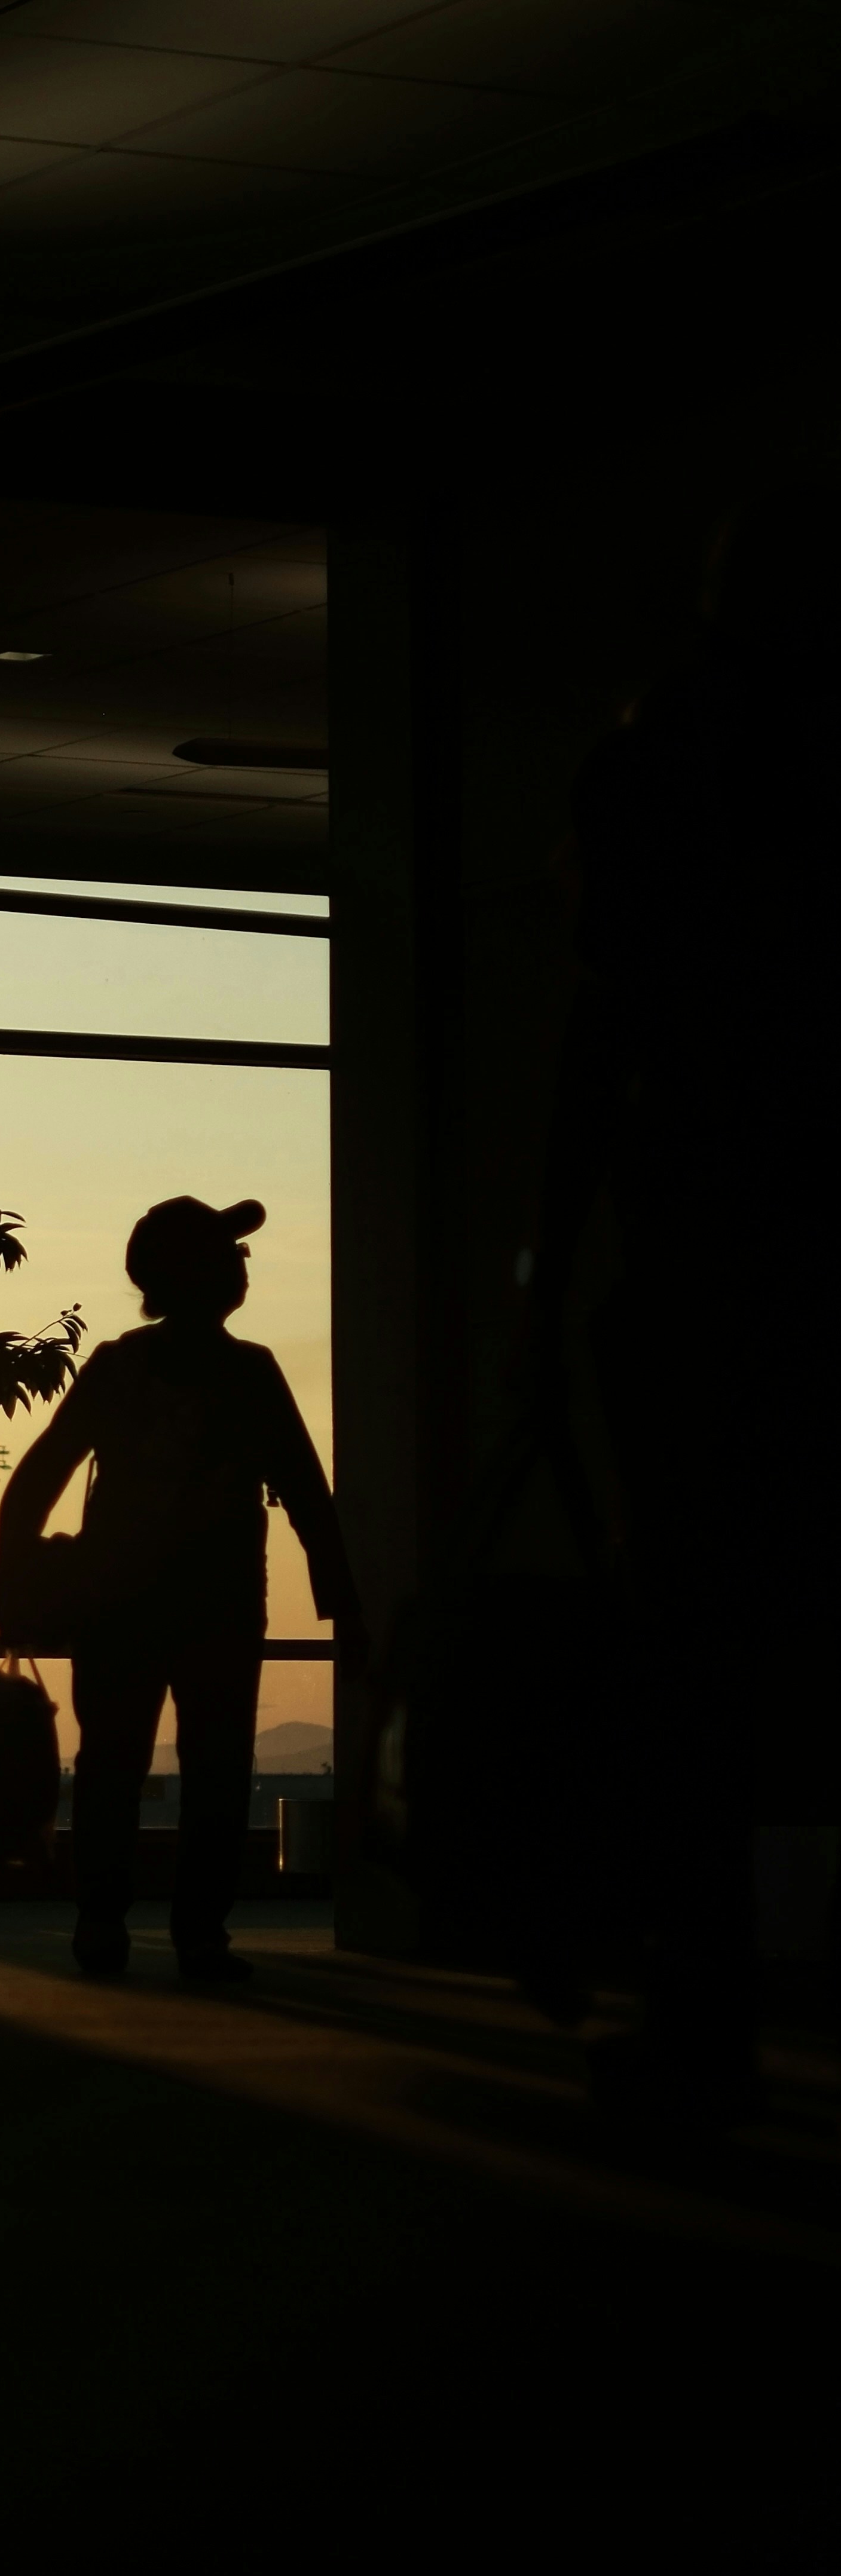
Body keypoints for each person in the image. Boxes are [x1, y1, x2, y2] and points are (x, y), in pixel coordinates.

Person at [525, 484, 841, 2121]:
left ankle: (693, 2001)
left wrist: (543, 1270)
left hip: (705, 1258)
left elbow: (604, 1028)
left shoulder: (666, 760)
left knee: (691, 1645)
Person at [0, 1195, 360, 1984]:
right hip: (220, 1602)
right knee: (218, 1770)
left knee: (111, 1767)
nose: (243, 1266)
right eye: (231, 1255)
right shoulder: (248, 1372)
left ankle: (101, 1925)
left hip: (117, 1600)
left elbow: (37, 1479)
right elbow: (304, 1491)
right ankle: (200, 1936)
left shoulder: (119, 1368)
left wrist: (13, 1580)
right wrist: (341, 1601)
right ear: (200, 1275)